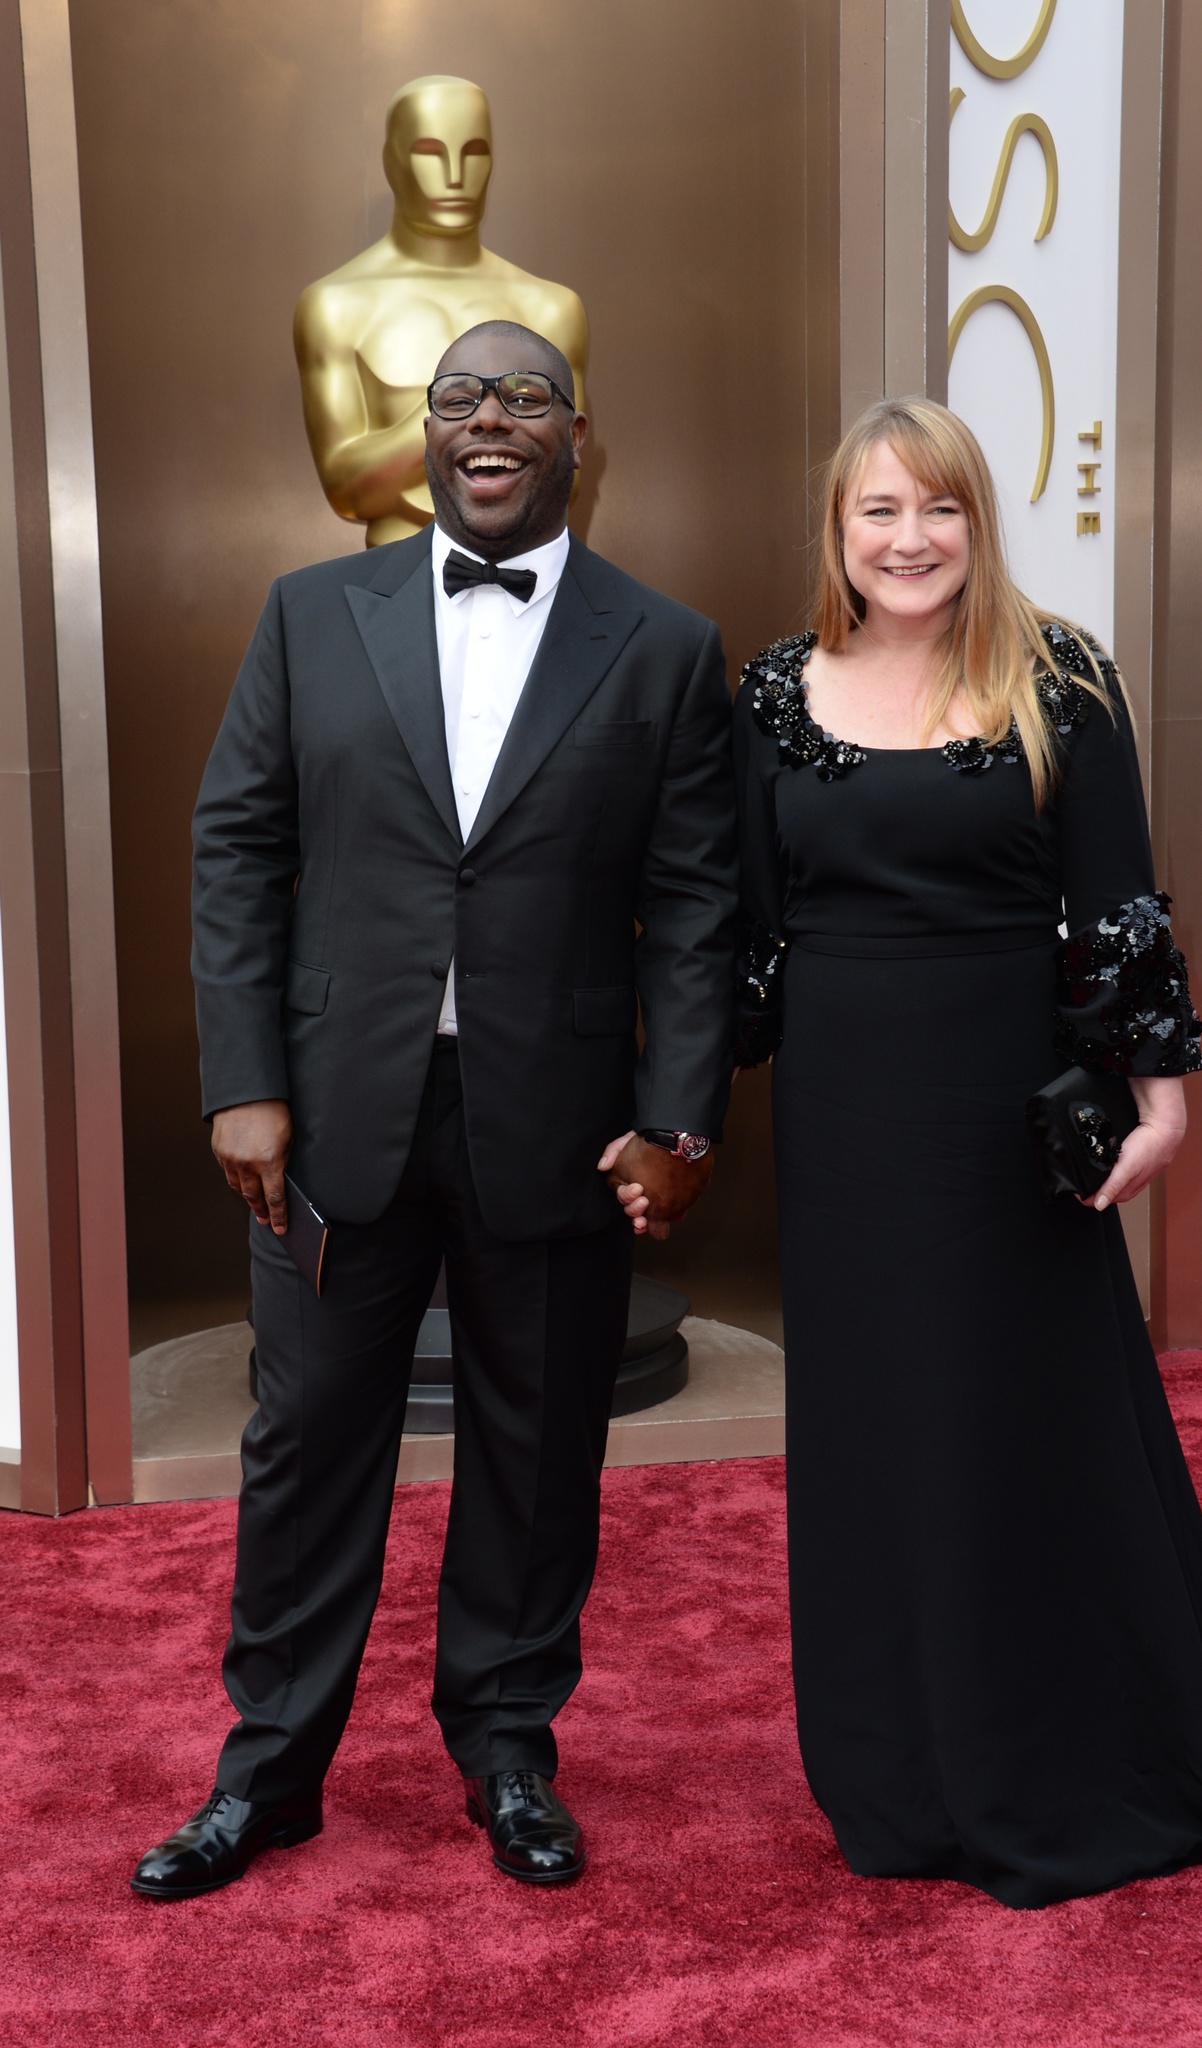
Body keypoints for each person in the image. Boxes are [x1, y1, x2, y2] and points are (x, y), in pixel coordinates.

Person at [726, 396, 1202, 1908]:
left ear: (981, 521)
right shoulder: (769, 694)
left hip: (1002, 1117)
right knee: (874, 1437)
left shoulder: (1059, 675)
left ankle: (1053, 1747)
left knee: (1023, 1427)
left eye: (939, 509)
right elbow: (742, 931)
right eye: (879, 513)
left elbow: (1116, 908)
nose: (910, 540)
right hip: (840, 1124)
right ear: (838, 530)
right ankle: (894, 1773)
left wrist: (1162, 1100)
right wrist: (679, 1108)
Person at [131, 319, 736, 1899]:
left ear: (576, 437)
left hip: (561, 1123)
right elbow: (237, 852)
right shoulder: (307, 615)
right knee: (308, 1442)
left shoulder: (665, 645)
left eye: (524, 396)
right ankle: (267, 1775)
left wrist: (677, 1124)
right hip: (333, 1121)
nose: (489, 418)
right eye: (461, 395)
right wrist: (245, 1085)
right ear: (423, 433)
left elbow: (696, 900)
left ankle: (509, 1754)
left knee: (537, 1460)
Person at [295, 75, 589, 546]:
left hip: (530, 583)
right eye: (430, 153)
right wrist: (483, 404)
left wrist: (455, 416)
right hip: (393, 589)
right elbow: (347, 489)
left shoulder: (551, 307)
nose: (455, 174)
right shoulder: (335, 306)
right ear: (392, 162)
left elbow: (566, 479)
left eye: (474, 152)